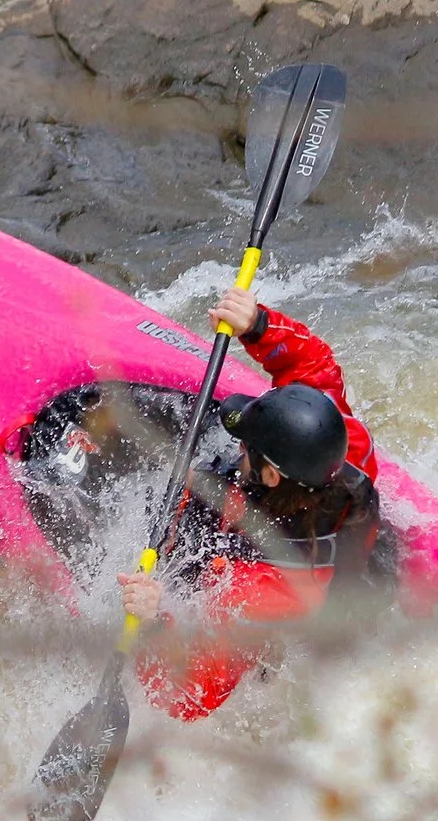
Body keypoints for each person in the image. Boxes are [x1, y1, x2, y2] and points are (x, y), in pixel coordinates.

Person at [115, 287, 397, 719]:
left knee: (189, 491)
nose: (240, 447)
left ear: (271, 475)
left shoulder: (253, 597)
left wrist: (152, 625)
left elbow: (189, 697)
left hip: (287, 602)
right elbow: (315, 368)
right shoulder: (346, 445)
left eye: (247, 446)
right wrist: (259, 326)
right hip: (322, 554)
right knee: (199, 481)